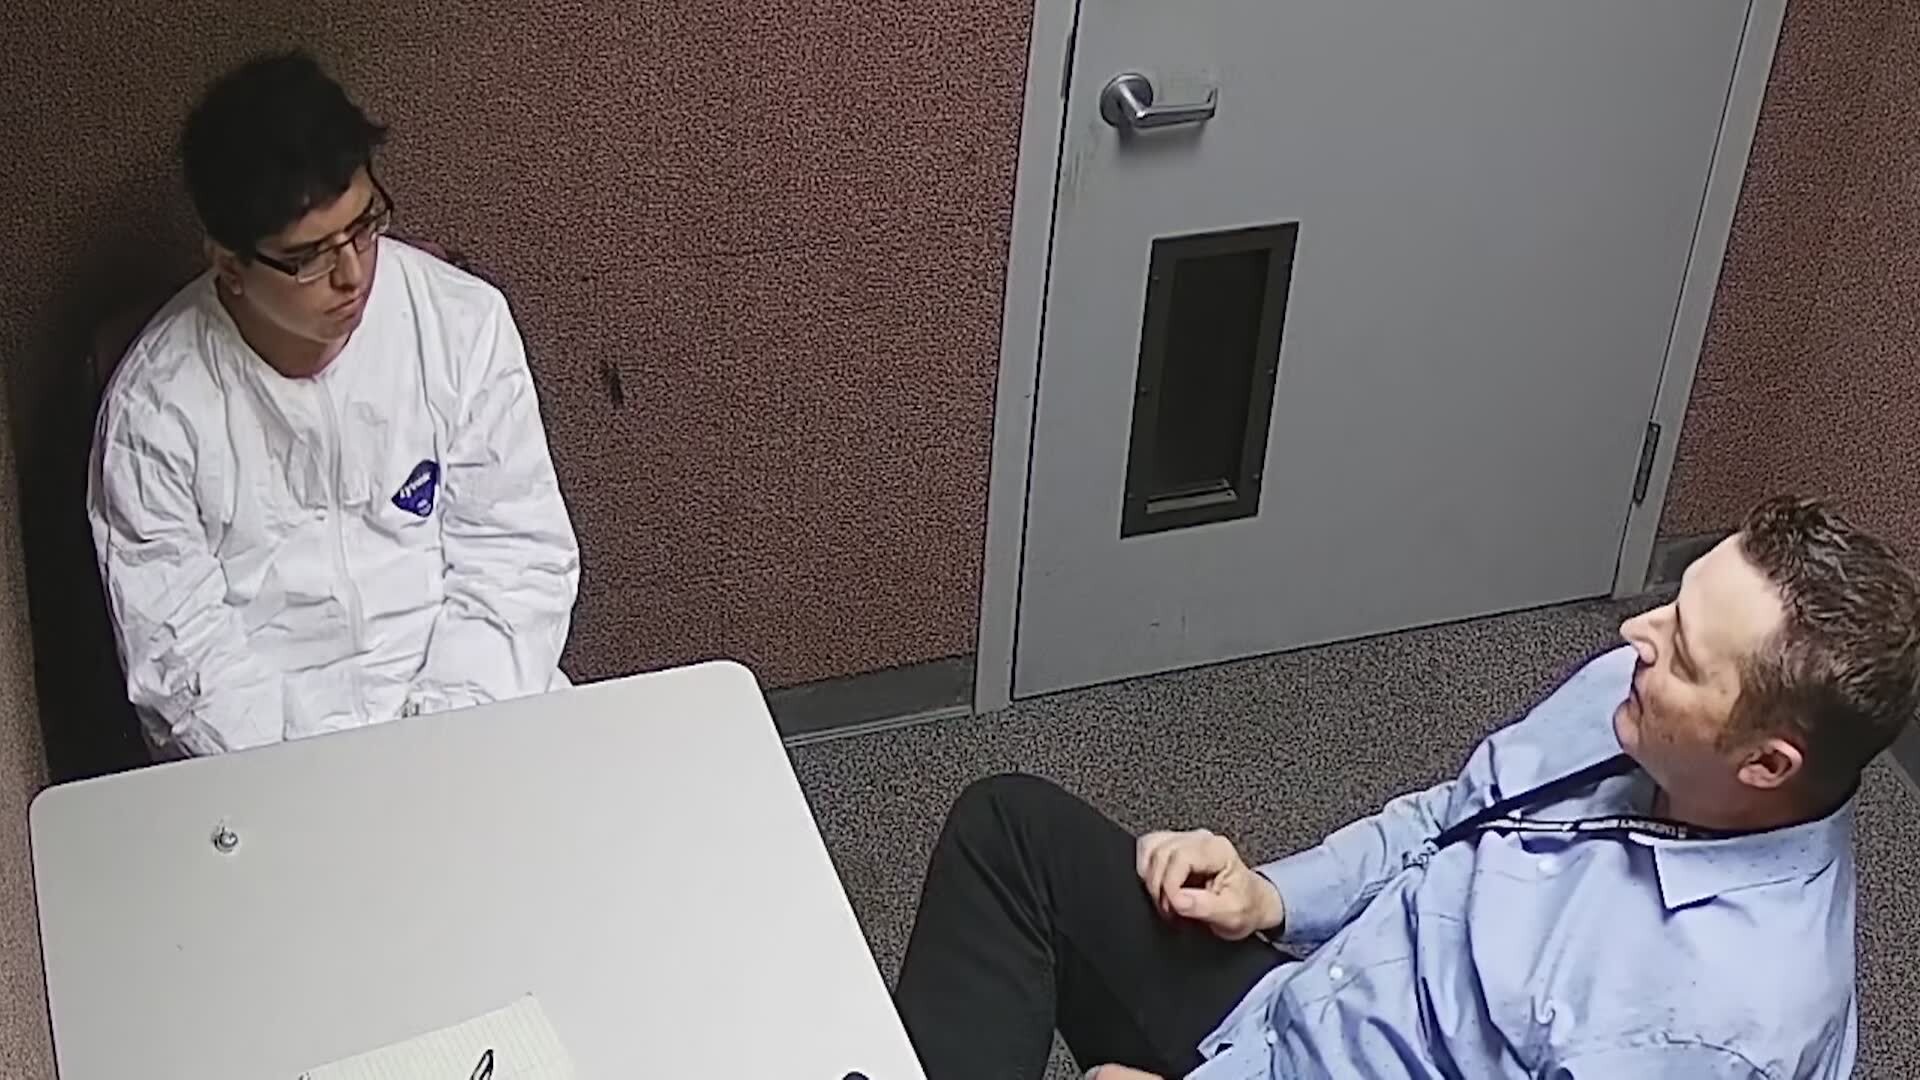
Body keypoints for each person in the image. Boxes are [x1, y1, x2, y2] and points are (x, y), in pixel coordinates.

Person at [895, 495, 1920, 1079]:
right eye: (1672, 606)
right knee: (1010, 832)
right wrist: (1274, 897)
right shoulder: (1637, 695)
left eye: (1683, 652)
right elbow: (1453, 815)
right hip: (1300, 1016)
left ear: (1766, 765)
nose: (1633, 635)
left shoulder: (1716, 1029)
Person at [87, 51, 579, 756]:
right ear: (229, 265)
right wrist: (333, 774)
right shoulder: (153, 414)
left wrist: (443, 734)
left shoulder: (461, 322)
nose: (352, 274)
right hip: (268, 758)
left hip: (475, 712)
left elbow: (518, 559)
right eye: (310, 256)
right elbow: (184, 662)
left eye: (364, 225)